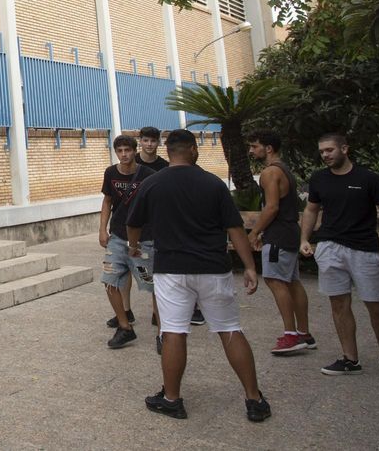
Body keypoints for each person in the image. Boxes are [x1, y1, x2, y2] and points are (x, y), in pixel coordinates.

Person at [127, 129, 270, 423]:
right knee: (229, 329)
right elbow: (234, 230)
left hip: (171, 271)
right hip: (213, 269)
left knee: (174, 332)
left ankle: (172, 399)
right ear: (192, 149)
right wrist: (251, 267)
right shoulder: (212, 183)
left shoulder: (152, 183)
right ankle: (254, 400)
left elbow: (133, 223)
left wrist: (133, 246)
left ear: (168, 151)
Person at [300, 133, 379, 380]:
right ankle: (350, 359)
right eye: (322, 152)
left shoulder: (369, 179)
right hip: (330, 248)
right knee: (339, 305)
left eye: (330, 150)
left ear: (344, 149)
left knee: (377, 307)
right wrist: (304, 239)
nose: (326, 155)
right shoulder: (319, 179)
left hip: (363, 249)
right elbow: (311, 210)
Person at [246, 130, 315, 355]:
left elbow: (272, 207)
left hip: (278, 234)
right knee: (292, 281)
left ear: (268, 148)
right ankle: (303, 333)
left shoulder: (270, 172)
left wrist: (255, 232)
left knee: (276, 281)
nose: (250, 150)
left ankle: (291, 335)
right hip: (289, 232)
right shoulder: (284, 169)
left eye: (254, 146)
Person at [135, 126, 203, 328]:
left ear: (161, 145)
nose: (149, 144)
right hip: (145, 228)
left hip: (170, 226)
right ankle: (157, 312)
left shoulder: (167, 167)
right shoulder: (132, 164)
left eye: (153, 141)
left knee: (177, 268)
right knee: (149, 273)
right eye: (145, 140)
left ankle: (188, 308)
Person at [98, 134, 156, 349]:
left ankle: (163, 333)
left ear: (134, 151)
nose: (124, 154)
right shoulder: (110, 173)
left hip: (143, 243)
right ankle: (124, 327)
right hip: (118, 238)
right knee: (110, 281)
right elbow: (107, 201)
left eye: (127, 150)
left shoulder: (148, 175)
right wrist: (102, 230)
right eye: (120, 151)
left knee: (150, 285)